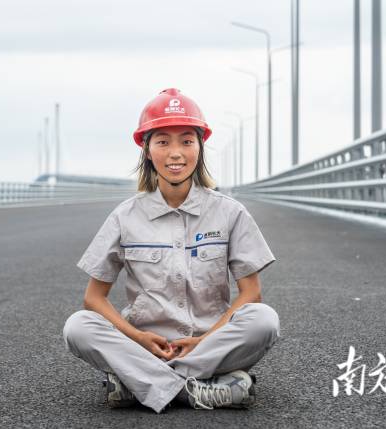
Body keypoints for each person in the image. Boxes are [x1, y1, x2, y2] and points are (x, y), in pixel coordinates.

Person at [62, 88, 280, 413]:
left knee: (264, 320)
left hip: (208, 344)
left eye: (186, 141)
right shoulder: (125, 216)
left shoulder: (230, 213)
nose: (175, 152)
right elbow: (93, 299)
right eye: (163, 141)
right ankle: (197, 389)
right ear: (147, 151)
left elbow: (251, 294)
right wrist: (138, 338)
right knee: (77, 326)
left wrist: (203, 341)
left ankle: (140, 384)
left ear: (200, 148)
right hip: (146, 347)